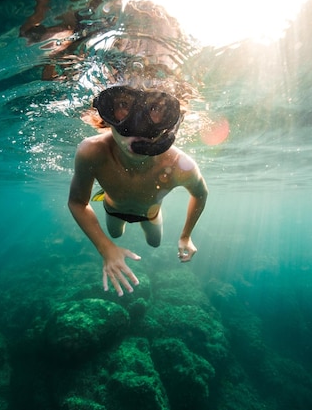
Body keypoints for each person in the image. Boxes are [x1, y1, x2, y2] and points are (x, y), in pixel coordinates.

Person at [68, 85, 208, 296]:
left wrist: (186, 236)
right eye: (123, 105)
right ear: (106, 116)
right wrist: (105, 248)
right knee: (114, 235)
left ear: (172, 122)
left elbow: (200, 194)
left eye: (156, 108)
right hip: (114, 210)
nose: (138, 124)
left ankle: (147, 217)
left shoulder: (180, 164)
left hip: (150, 215)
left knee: (154, 243)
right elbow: (77, 202)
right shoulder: (92, 151)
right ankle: (107, 203)